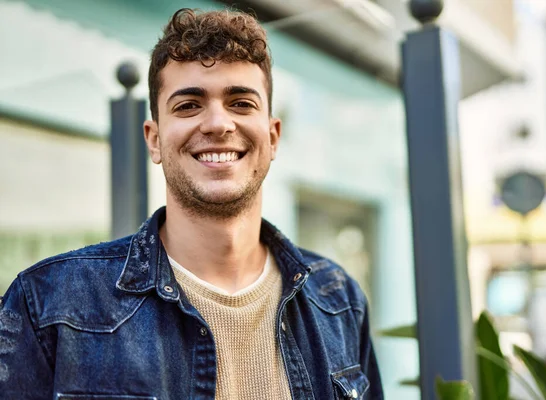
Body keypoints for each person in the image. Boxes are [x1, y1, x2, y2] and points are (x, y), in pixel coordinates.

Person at [0, 8, 382, 399]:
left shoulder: (338, 300)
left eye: (240, 103)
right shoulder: (48, 304)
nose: (218, 123)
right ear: (153, 139)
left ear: (273, 136)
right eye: (188, 105)